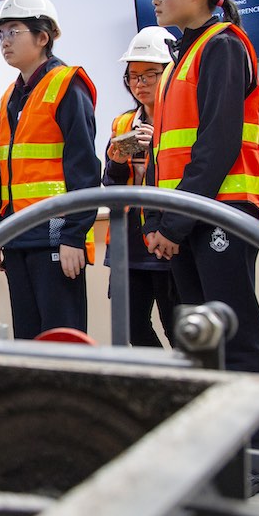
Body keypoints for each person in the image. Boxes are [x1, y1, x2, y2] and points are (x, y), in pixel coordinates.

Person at [138, 0, 259, 493]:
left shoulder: (224, 44)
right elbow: (166, 151)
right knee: (200, 339)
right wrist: (157, 220)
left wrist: (174, 222)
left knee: (235, 334)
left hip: (218, 214)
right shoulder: (181, 57)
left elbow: (216, 145)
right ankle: (217, 450)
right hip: (188, 217)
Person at [0, 0, 99, 339]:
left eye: (13, 31)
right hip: (18, 238)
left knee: (62, 341)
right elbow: (7, 173)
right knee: (29, 341)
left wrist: (74, 236)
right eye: (0, 34)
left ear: (43, 37)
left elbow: (84, 168)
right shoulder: (10, 96)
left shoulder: (66, 85)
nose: (4, 41)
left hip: (55, 239)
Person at [102, 26, 178, 347]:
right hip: (128, 241)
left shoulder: (178, 120)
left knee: (178, 328)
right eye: (134, 76)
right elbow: (110, 184)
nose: (140, 84)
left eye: (150, 74)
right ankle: (163, 387)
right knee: (130, 325)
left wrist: (155, 147)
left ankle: (185, 388)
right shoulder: (122, 123)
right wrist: (119, 160)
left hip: (166, 236)